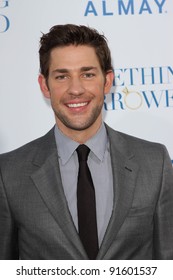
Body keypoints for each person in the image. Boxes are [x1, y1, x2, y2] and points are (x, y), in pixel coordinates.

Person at [0, 24, 173, 260]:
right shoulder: (9, 173)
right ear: (44, 85)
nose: (76, 89)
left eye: (87, 74)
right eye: (62, 76)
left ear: (107, 81)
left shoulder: (154, 163)